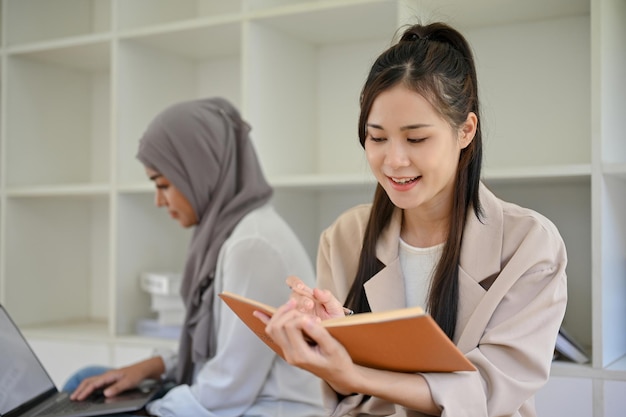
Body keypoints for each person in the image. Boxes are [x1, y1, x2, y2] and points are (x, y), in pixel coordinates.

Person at [255, 22, 568, 417]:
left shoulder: (529, 244)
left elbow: (488, 391)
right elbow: (340, 393)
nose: (394, 161)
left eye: (416, 139)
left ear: (465, 131)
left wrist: (353, 373)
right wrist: (328, 341)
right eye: (377, 138)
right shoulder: (345, 237)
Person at [64, 97, 325, 417]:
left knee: (86, 403)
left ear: (201, 171)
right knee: (86, 379)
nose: (159, 201)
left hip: (261, 410)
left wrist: (145, 410)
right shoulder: (230, 232)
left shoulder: (252, 246)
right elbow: (218, 358)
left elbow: (228, 387)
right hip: (235, 398)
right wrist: (153, 366)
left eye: (163, 184)